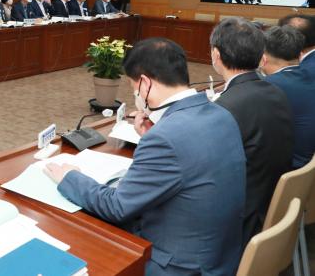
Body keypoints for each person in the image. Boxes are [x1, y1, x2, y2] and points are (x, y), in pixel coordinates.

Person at [45, 38, 246, 275]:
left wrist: (70, 176)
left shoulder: (166, 138)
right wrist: (151, 137)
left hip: (179, 266)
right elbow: (189, 157)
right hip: (222, 255)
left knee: (72, 238)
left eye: (133, 86)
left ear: (144, 83)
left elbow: (117, 207)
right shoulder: (221, 114)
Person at [210, 17, 293, 245]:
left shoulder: (225, 108)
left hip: (237, 220)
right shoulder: (276, 92)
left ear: (216, 55)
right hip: (268, 205)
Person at [262, 24, 315, 169]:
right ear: (300, 55)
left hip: (286, 167)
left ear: (263, 57)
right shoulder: (309, 77)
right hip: (307, 166)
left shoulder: (268, 86)